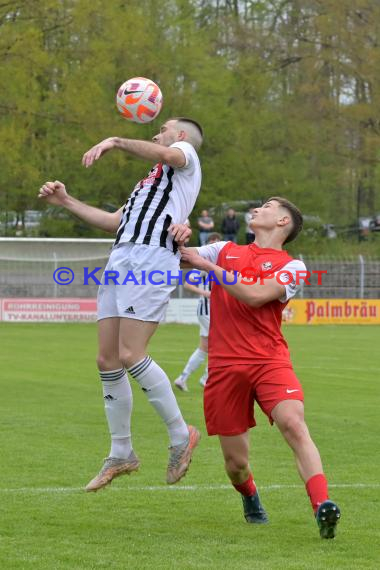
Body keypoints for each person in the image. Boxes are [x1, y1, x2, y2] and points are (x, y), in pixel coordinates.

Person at [38, 117, 203, 491]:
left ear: (179, 137)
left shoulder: (185, 155)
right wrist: (64, 201)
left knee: (131, 353)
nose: (156, 132)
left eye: (163, 128)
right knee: (107, 359)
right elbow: (115, 221)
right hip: (122, 258)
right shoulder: (149, 182)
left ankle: (181, 436)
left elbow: (166, 153)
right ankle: (122, 452)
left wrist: (114, 139)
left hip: (150, 259)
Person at [180, 197, 341, 539]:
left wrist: (206, 267)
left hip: (270, 361)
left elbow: (255, 295)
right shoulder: (223, 249)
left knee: (294, 424)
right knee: (236, 465)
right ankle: (250, 495)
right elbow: (179, 256)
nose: (256, 209)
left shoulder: (293, 267)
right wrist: (176, 234)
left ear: (283, 222)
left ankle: (322, 506)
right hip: (224, 368)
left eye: (266, 206)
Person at [174, 232, 222, 392]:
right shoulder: (204, 264)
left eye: (217, 242)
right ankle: (205, 378)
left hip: (216, 311)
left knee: (205, 347)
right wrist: (206, 293)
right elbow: (188, 284)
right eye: (212, 242)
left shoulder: (220, 264)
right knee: (218, 344)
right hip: (207, 309)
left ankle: (184, 378)